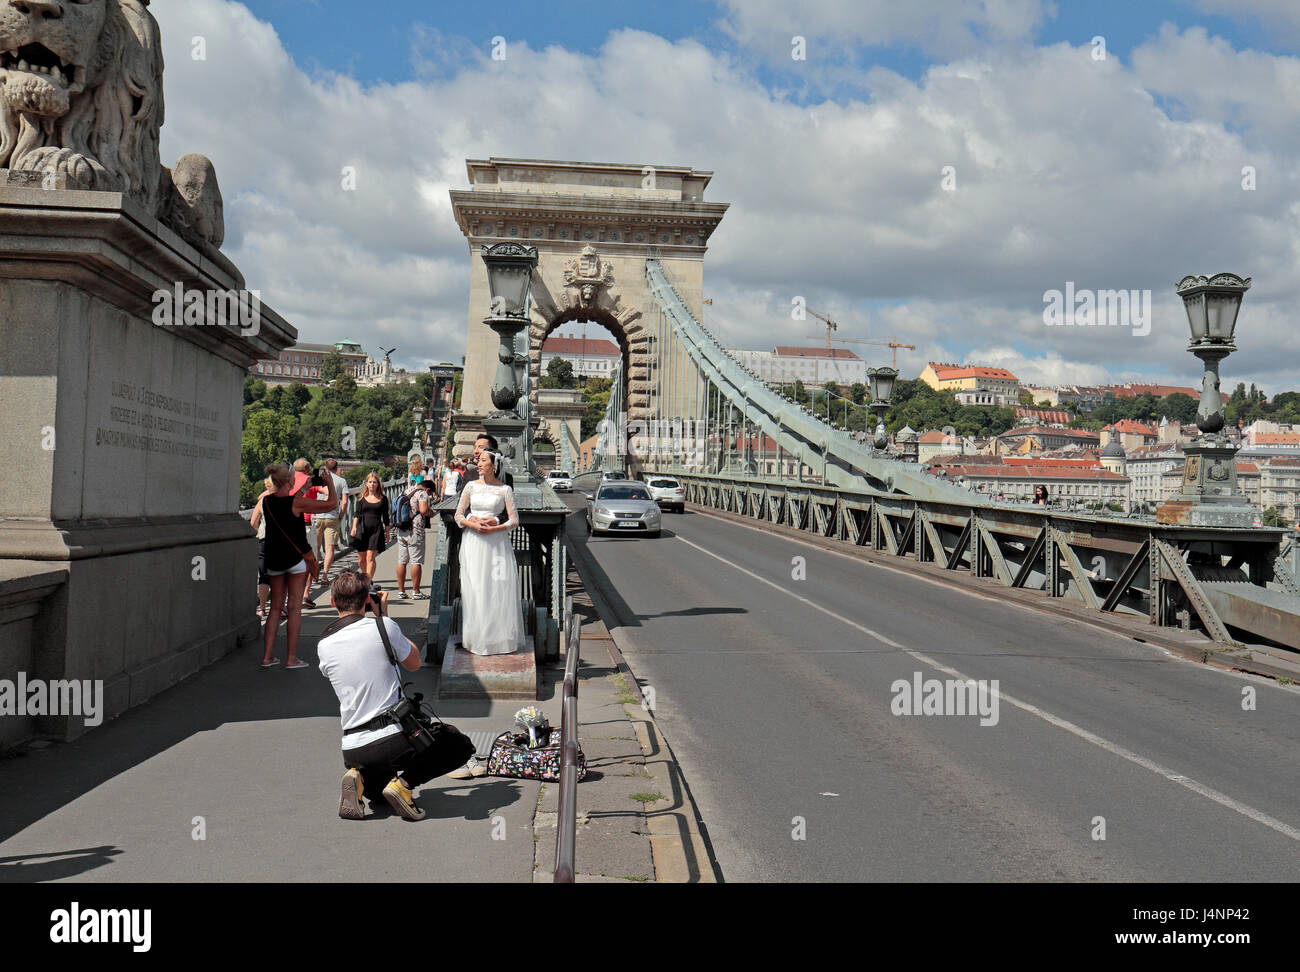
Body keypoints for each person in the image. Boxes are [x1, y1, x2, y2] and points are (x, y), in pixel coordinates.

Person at [317, 570, 437, 821]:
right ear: (367, 600)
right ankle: (403, 784)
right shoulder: (383, 627)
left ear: (331, 602)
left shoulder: (324, 645)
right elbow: (414, 662)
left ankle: (357, 776)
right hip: (393, 739)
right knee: (455, 744)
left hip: (353, 748)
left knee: (379, 797)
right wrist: (383, 617)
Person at [259, 461, 338, 669]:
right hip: (295, 560)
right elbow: (331, 504)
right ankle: (291, 658)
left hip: (274, 560)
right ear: (289, 481)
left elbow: (289, 502)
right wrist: (329, 483)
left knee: (275, 608)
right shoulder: (296, 503)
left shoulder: (267, 502)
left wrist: (304, 488)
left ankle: (268, 657)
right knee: (294, 608)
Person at [454, 449, 524, 656]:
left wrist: (494, 526)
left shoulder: (504, 490)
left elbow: (514, 520)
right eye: (479, 461)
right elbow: (458, 515)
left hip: (496, 543)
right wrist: (472, 522)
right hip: (473, 541)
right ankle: (476, 637)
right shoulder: (470, 486)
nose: (479, 464)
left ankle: (497, 639)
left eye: (483, 460)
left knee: (496, 588)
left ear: (494, 465)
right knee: (475, 587)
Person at [394, 477, 432, 600]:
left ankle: (401, 591)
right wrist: (431, 512)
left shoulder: (406, 491)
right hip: (416, 531)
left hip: (401, 530)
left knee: (402, 561)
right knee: (416, 561)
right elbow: (423, 510)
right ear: (428, 489)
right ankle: (416, 592)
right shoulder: (423, 493)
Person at [350, 472, 390, 583]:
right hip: (362, 530)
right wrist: (353, 528)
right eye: (370, 482)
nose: (372, 484)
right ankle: (367, 578)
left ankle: (367, 583)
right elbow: (356, 514)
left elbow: (386, 516)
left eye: (374, 482)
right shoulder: (361, 498)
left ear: (378, 484)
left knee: (370, 557)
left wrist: (387, 532)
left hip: (376, 530)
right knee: (361, 560)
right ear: (366, 483)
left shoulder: (383, 499)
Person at [314, 459, 349, 583]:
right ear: (336, 468)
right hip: (332, 516)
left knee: (316, 548)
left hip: (316, 515)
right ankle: (325, 575)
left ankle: (315, 575)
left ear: (325, 468)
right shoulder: (342, 481)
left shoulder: (319, 478)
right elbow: (344, 501)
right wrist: (340, 516)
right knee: (330, 548)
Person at [248, 475, 275, 620]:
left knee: (263, 576)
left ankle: (263, 608)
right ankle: (280, 608)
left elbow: (253, 523)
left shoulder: (263, 501)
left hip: (265, 540)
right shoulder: (289, 501)